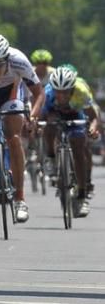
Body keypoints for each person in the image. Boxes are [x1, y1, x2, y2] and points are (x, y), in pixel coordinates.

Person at [0, 33, 44, 223]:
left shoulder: (18, 60)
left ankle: (20, 199)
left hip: (11, 95)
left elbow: (39, 94)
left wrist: (34, 117)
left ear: (7, 59)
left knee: (13, 138)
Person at [41, 67, 100, 217]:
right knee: (49, 126)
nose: (61, 95)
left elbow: (93, 117)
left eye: (65, 92)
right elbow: (42, 117)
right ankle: (51, 158)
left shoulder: (81, 92)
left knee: (78, 147)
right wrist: (36, 124)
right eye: (58, 91)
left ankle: (82, 193)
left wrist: (92, 129)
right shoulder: (48, 94)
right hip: (56, 114)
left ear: (72, 89)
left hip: (77, 114)